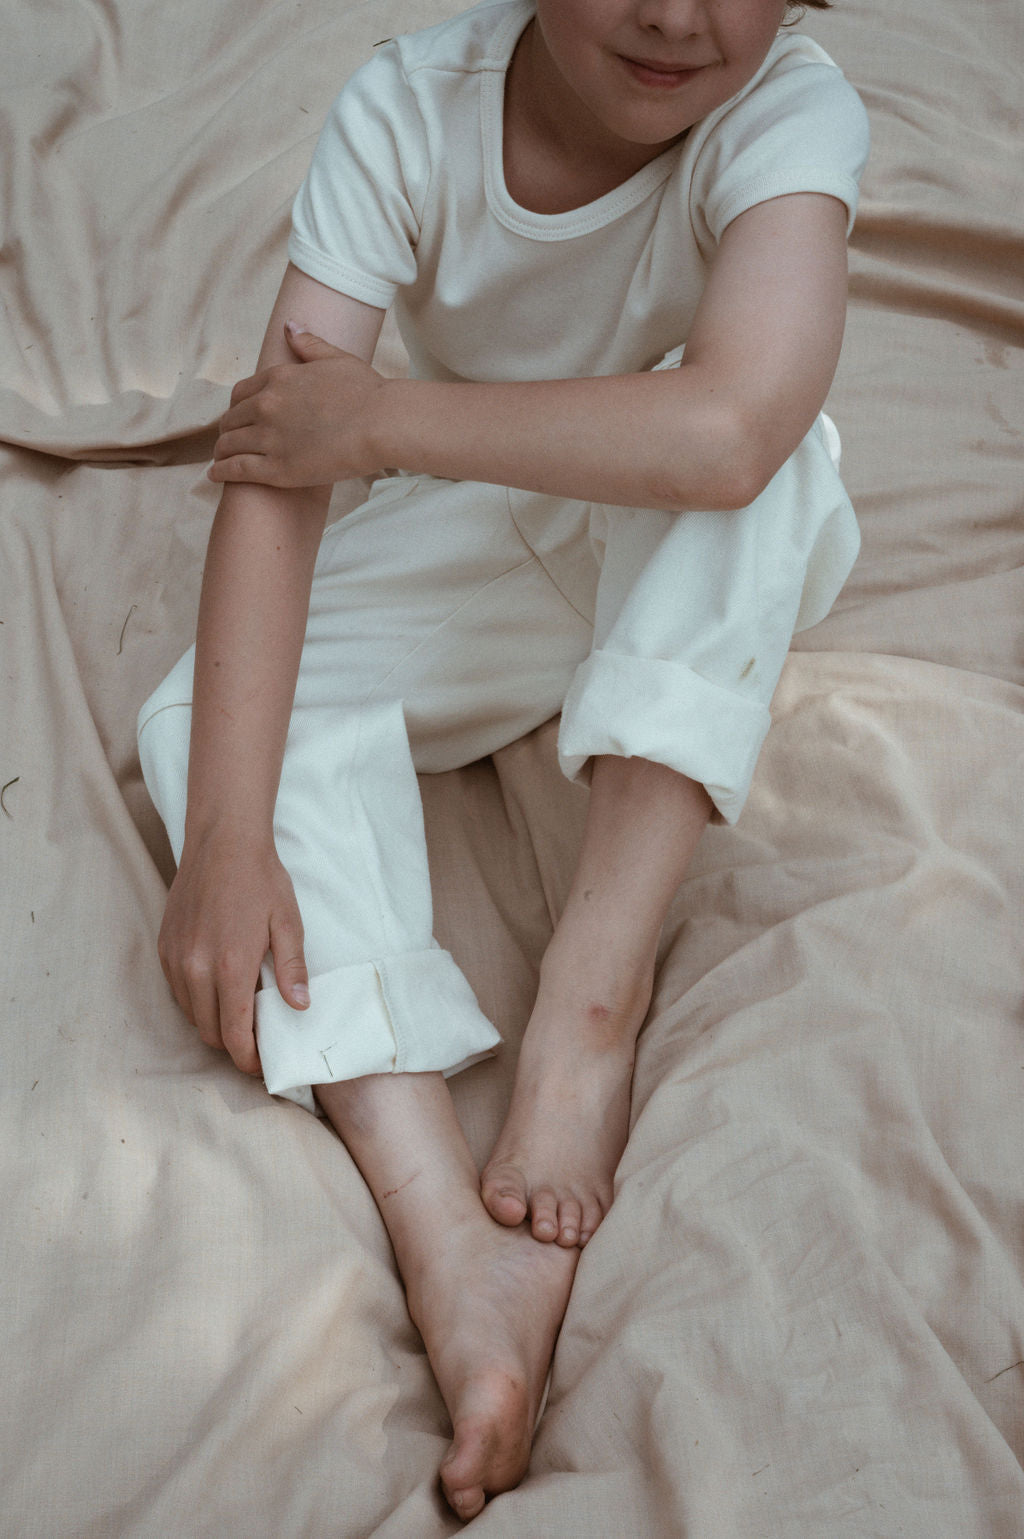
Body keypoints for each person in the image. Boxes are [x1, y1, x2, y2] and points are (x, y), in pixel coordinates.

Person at [137, 0, 869, 1519]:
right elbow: (283, 459)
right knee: (196, 729)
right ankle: (444, 1235)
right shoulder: (407, 108)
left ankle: (589, 1010)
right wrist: (223, 834)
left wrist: (387, 420)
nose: (680, 16)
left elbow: (729, 432)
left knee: (784, 463)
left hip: (686, 534)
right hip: (495, 527)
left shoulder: (789, 112)